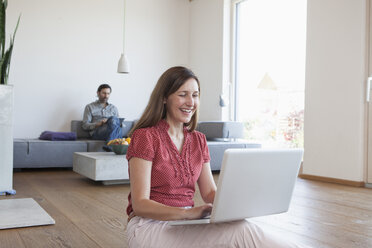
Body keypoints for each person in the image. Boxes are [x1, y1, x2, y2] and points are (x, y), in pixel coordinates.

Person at [125, 66, 309, 248]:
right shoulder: (145, 137)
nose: (191, 102)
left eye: (195, 95)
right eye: (183, 95)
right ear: (164, 98)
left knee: (241, 227)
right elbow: (140, 204)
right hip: (149, 226)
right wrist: (187, 213)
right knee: (240, 233)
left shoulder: (198, 140)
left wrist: (240, 202)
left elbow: (209, 193)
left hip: (185, 224)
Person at [82, 84, 124, 150]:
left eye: (108, 93)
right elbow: (85, 125)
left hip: (110, 130)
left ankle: (110, 146)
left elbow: (117, 124)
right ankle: (113, 146)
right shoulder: (89, 107)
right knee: (117, 129)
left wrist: (111, 121)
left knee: (115, 123)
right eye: (104, 93)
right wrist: (98, 124)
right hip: (97, 132)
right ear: (98, 93)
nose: (106, 96)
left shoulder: (113, 108)